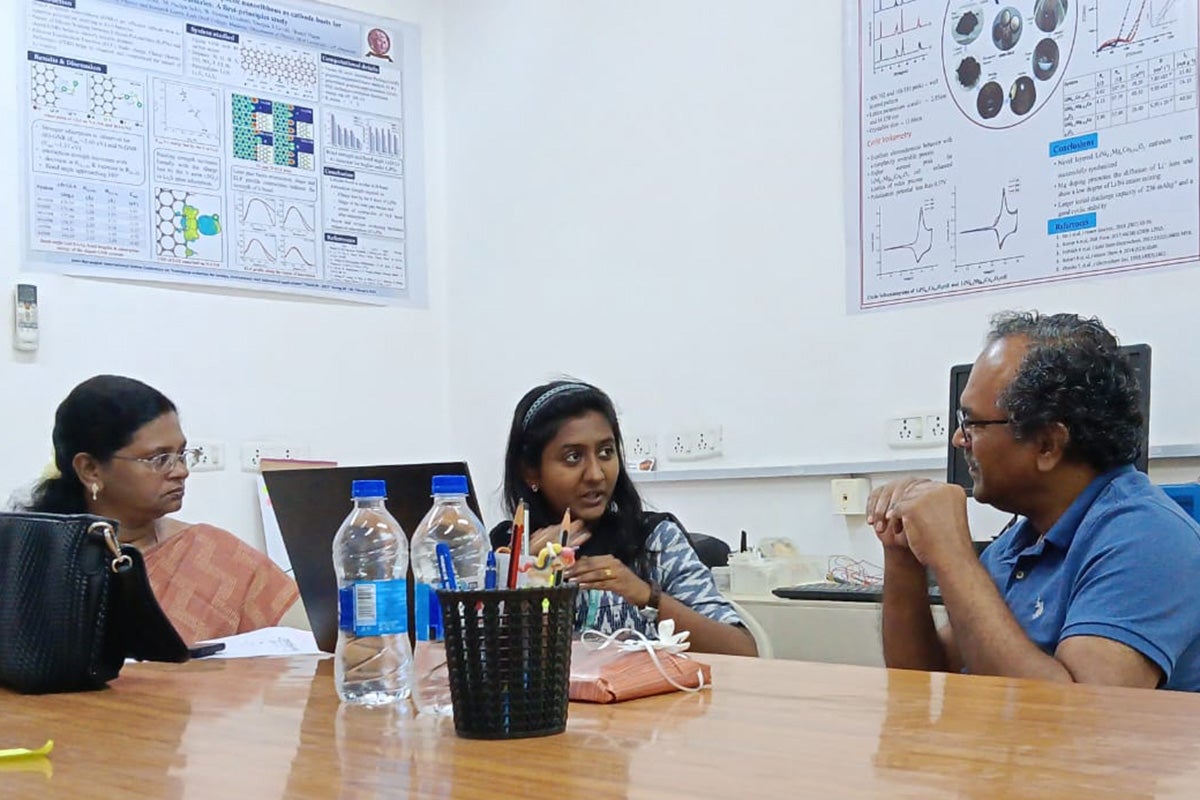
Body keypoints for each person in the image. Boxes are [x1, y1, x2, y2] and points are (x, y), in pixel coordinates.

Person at [868, 312, 1200, 690]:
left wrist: (953, 555)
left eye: (973, 422)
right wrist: (904, 559)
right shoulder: (1024, 541)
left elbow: (1081, 717)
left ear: (1047, 444)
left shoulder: (1149, 540)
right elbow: (922, 678)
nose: (960, 439)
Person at [25, 375, 299, 644]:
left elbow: (314, 634)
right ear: (90, 469)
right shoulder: (30, 563)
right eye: (159, 458)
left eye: (182, 454)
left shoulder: (214, 555)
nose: (182, 471)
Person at [490, 380, 757, 656]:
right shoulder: (506, 551)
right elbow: (487, 670)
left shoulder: (654, 540)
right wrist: (526, 582)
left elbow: (743, 651)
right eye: (573, 457)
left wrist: (645, 595)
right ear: (531, 472)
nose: (595, 474)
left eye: (606, 452)